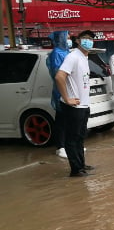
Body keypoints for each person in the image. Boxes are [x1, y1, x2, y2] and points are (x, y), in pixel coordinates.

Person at [54, 30, 96, 177]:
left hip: (83, 105)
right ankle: (76, 170)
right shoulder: (73, 57)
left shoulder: (84, 57)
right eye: (85, 38)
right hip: (74, 106)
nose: (88, 41)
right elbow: (59, 77)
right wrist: (67, 98)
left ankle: (81, 164)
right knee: (72, 138)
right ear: (77, 40)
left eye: (91, 39)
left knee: (80, 137)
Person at [46, 30, 71, 158]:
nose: (69, 39)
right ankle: (60, 146)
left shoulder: (67, 52)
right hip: (61, 90)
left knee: (70, 120)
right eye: (67, 37)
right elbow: (57, 73)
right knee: (61, 119)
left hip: (71, 90)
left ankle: (69, 145)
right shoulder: (56, 53)